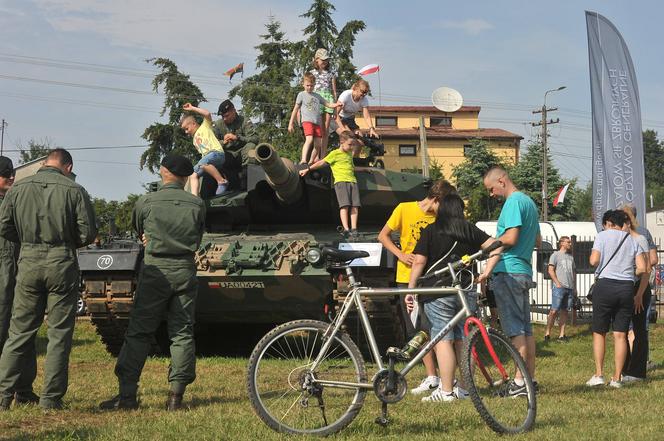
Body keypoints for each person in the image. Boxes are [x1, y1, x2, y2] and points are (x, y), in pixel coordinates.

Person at [100, 154, 205, 411]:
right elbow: (198, 234)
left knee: (139, 332)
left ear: (162, 171)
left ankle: (126, 396)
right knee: (181, 333)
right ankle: (175, 397)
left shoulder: (146, 201)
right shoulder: (196, 204)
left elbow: (139, 231)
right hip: (184, 269)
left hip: (155, 269)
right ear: (184, 177)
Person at [0, 149, 97, 411]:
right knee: (59, 333)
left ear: (44, 164)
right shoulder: (74, 189)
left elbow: (4, 225)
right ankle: (50, 398)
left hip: (28, 260)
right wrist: (65, 243)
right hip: (61, 260)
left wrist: (28, 242)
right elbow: (87, 232)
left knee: (19, 331)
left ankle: (3, 395)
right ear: (68, 166)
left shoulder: (18, 189)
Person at [408, 193, 498, 402]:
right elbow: (496, 246)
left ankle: (446, 390)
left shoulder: (431, 230)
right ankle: (465, 389)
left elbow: (419, 262)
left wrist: (411, 289)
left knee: (442, 338)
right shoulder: (469, 229)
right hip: (465, 289)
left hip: (438, 291)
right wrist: (486, 272)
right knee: (465, 339)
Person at [377, 179, 456, 395]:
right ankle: (432, 376)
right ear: (436, 199)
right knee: (416, 329)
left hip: (432, 279)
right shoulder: (404, 209)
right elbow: (383, 235)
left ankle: (448, 378)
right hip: (406, 276)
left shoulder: (442, 216)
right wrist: (401, 254)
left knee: (437, 327)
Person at [478, 166, 540, 396]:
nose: (491, 194)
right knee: (526, 330)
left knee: (515, 331)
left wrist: (490, 253)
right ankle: (528, 379)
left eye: (491, 189)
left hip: (509, 272)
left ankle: (519, 383)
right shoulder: (529, 203)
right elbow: (537, 240)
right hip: (523, 270)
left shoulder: (513, 203)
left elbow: (511, 238)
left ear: (502, 180)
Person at [586, 209, 646, 388]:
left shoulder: (602, 236)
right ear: (623, 223)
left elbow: (593, 261)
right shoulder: (632, 240)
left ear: (607, 223)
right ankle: (617, 378)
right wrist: (629, 273)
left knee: (600, 332)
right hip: (626, 288)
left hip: (605, 286)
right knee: (620, 334)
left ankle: (598, 375)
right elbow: (642, 268)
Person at [0, 157, 39, 409]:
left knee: (23, 329)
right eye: (5, 174)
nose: (12, 177)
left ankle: (23, 389)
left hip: (17, 269)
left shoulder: (13, 202)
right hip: (4, 271)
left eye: (12, 173)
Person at [299, 131, 361, 238]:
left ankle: (354, 228)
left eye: (353, 145)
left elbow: (352, 168)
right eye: (350, 145)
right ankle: (346, 229)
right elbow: (321, 163)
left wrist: (364, 169)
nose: (352, 147)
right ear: (342, 142)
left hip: (352, 181)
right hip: (341, 182)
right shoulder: (334, 154)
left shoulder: (349, 155)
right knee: (344, 206)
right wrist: (308, 169)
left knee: (355, 205)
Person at [621, 207, 651, 382]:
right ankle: (624, 369)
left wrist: (639, 294)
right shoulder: (619, 240)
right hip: (624, 288)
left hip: (640, 289)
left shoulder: (640, 239)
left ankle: (638, 372)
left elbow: (646, 270)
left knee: (639, 330)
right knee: (622, 330)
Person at [288, 72, 342, 164]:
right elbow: (295, 109)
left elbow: (328, 104)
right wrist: (291, 123)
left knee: (318, 144)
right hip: (307, 121)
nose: (309, 87)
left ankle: (311, 161)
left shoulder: (317, 96)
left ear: (314, 85)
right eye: (307, 85)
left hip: (317, 122)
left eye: (311, 86)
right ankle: (304, 159)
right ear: (303, 84)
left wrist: (336, 104)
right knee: (309, 139)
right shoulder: (301, 94)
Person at [181, 103, 228, 197]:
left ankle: (222, 181)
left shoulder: (204, 126)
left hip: (216, 153)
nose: (186, 132)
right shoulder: (194, 140)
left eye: (187, 128)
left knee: (202, 163)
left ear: (193, 124)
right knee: (193, 174)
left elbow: (207, 114)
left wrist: (192, 108)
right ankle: (194, 197)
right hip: (210, 161)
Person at [544, 236, 576, 342]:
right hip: (559, 287)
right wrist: (557, 283)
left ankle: (562, 335)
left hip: (570, 288)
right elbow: (550, 270)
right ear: (562, 243)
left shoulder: (571, 257)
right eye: (568, 242)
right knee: (554, 310)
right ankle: (547, 333)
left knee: (565, 311)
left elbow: (574, 272)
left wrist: (574, 287)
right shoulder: (555, 255)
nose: (570, 244)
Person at [213, 99, 259, 171]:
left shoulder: (244, 121)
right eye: (222, 116)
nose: (224, 119)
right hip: (227, 155)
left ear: (234, 111)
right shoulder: (218, 125)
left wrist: (237, 137)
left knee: (251, 146)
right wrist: (223, 142)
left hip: (242, 153)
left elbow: (255, 138)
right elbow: (212, 144)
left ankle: (247, 176)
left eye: (227, 115)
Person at [336, 79, 378, 154]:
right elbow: (335, 113)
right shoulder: (346, 95)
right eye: (362, 91)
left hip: (350, 120)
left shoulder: (364, 100)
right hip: (339, 119)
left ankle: (353, 160)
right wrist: (342, 128)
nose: (364, 94)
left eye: (366, 92)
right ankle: (341, 157)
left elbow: (367, 116)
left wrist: (371, 129)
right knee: (349, 138)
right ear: (356, 89)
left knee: (361, 142)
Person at [310, 48, 337, 155]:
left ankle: (323, 155)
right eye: (322, 60)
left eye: (326, 60)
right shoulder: (311, 73)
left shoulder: (331, 73)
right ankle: (314, 154)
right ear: (317, 60)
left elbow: (334, 91)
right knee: (318, 130)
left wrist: (334, 108)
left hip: (328, 99)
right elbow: (307, 90)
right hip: (316, 99)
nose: (325, 62)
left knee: (325, 130)